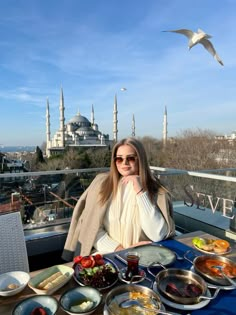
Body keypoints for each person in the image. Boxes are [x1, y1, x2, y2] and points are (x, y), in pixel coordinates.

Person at [62, 137, 175, 261]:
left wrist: (141, 192)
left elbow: (158, 235)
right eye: (119, 159)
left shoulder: (155, 189)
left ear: (140, 160)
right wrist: (121, 250)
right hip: (107, 255)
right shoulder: (102, 184)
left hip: (142, 258)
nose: (124, 163)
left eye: (130, 158)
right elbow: (91, 228)